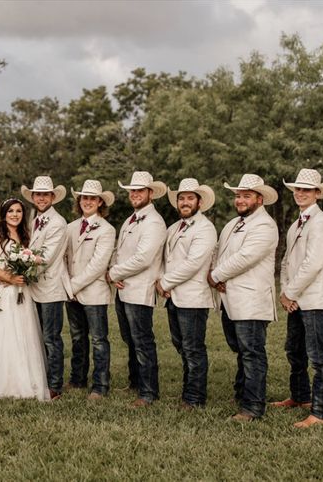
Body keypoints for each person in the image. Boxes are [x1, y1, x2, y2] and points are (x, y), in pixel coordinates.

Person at [209, 174, 279, 421]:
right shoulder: (233, 224)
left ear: (259, 199)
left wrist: (216, 275)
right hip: (231, 299)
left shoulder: (265, 226)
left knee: (252, 352)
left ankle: (253, 407)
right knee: (240, 349)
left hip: (251, 300)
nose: (240, 200)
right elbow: (219, 252)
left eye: (246, 196)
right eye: (238, 195)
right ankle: (242, 394)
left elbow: (246, 257)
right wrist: (215, 273)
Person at [0, 198, 50, 401]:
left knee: (23, 332)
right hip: (3, 290)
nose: (15, 214)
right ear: (3, 214)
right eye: (11, 211)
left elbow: (30, 260)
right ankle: (1, 378)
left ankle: (25, 378)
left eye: (18, 211)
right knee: (3, 331)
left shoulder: (25, 236)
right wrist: (9, 278)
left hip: (22, 291)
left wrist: (25, 273)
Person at [272, 168, 323, 428]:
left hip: (315, 301)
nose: (300, 193)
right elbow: (287, 261)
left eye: (306, 190)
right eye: (297, 189)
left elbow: (313, 264)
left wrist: (290, 292)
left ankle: (321, 413)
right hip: (296, 300)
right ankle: (300, 398)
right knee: (295, 351)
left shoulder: (321, 222)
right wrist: (286, 291)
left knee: (319, 358)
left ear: (317, 194)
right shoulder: (297, 223)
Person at [108, 171, 167, 407]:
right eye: (132, 191)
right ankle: (135, 382)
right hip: (124, 288)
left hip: (140, 289)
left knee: (142, 340)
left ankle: (148, 392)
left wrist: (114, 273)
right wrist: (116, 270)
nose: (134, 194)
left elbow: (143, 258)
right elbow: (120, 252)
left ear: (150, 194)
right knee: (129, 338)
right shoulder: (131, 219)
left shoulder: (154, 221)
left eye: (139, 191)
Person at [156, 178, 217, 409]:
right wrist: (164, 282)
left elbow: (194, 263)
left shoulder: (205, 228)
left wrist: (165, 282)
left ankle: (194, 397)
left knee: (193, 348)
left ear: (199, 202)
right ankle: (188, 389)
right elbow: (166, 259)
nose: (185, 202)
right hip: (174, 297)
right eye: (181, 198)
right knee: (180, 344)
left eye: (190, 198)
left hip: (192, 298)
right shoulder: (173, 228)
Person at [63, 180, 116, 400]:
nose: (87, 202)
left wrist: (73, 286)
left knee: (98, 340)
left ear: (100, 202)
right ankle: (77, 379)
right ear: (79, 201)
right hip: (70, 292)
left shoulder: (107, 229)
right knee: (77, 338)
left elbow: (98, 265)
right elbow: (63, 258)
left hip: (93, 293)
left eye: (92, 198)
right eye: (84, 198)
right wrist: (67, 286)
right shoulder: (70, 227)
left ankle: (100, 385)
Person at [20, 176, 69, 400]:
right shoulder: (35, 219)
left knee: (51, 337)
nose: (41, 198)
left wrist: (19, 267)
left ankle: (55, 385)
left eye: (45, 194)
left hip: (50, 288)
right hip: (35, 288)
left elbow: (46, 258)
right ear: (33, 197)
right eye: (37, 194)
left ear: (52, 197)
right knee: (38, 336)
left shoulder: (58, 223)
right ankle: (40, 377)